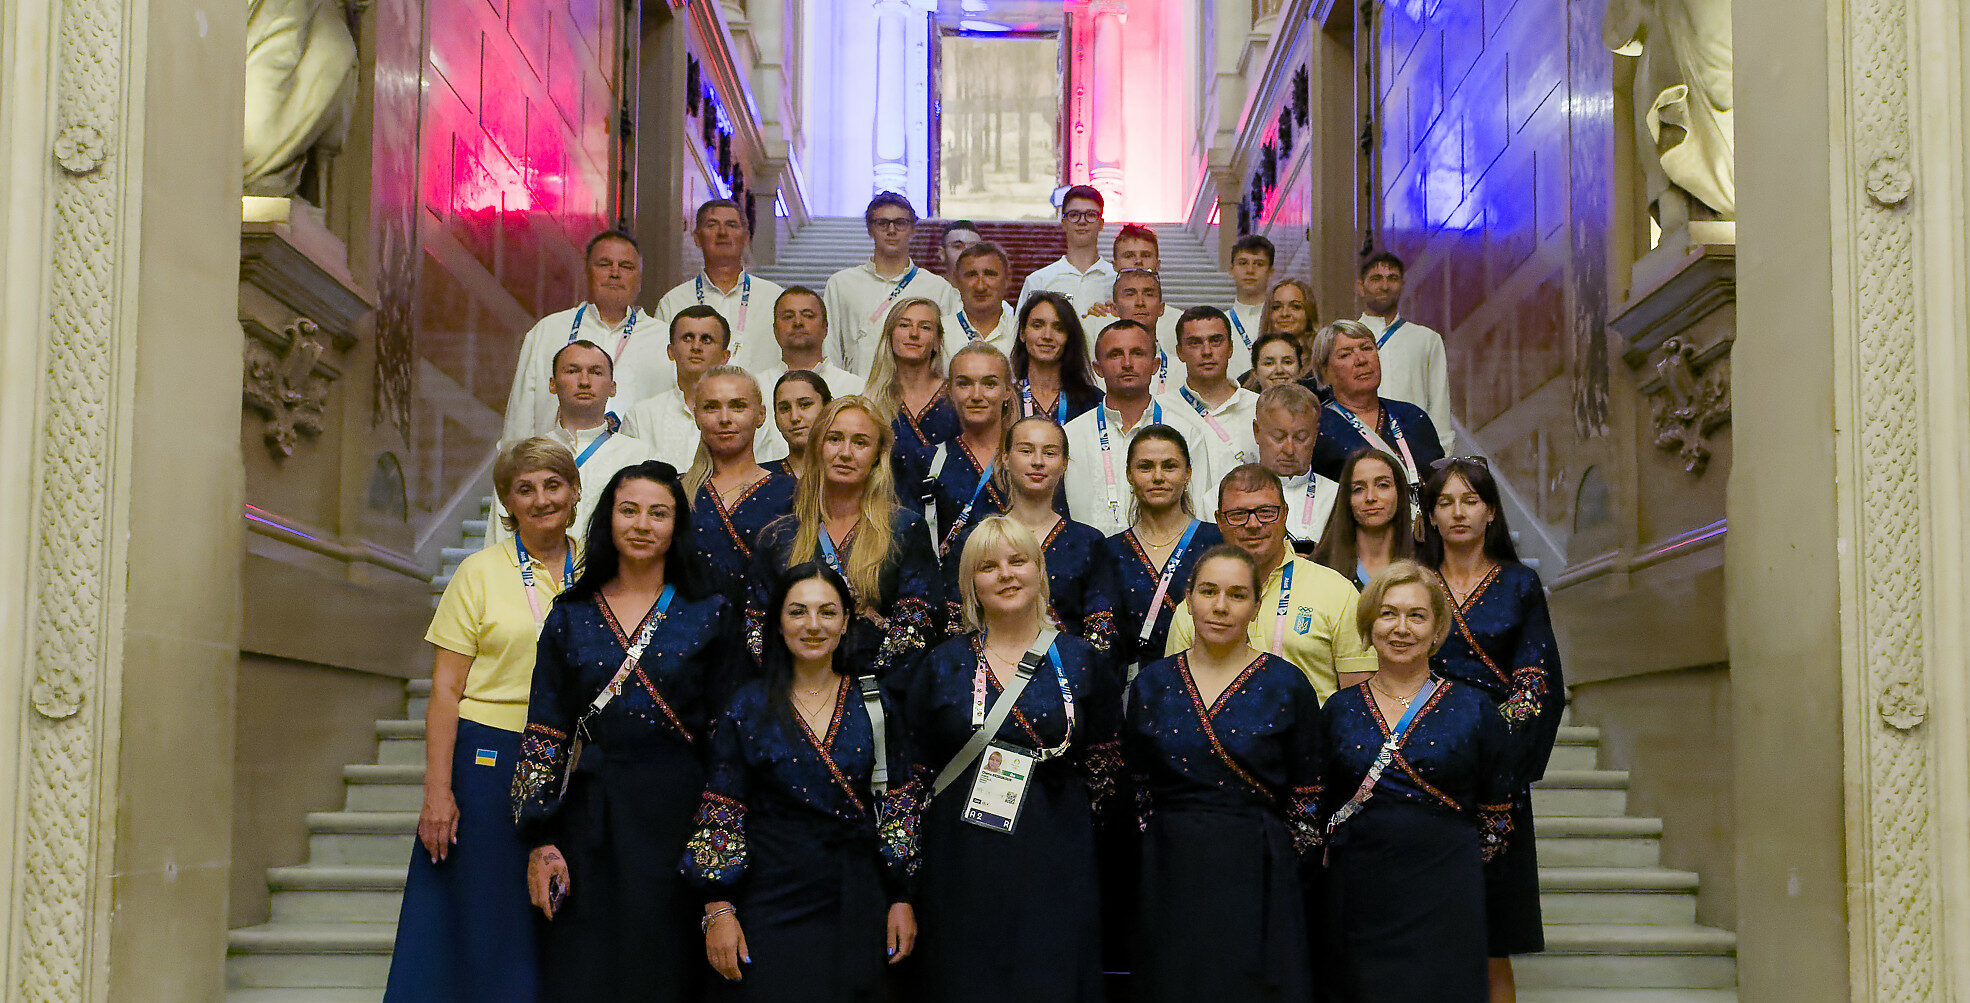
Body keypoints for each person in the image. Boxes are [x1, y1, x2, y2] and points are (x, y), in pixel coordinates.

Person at [513, 461, 736, 1002]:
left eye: (658, 513)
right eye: (628, 510)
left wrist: (715, 865)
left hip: (679, 816)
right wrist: (540, 838)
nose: (642, 524)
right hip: (591, 818)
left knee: (667, 970)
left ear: (677, 525)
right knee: (585, 969)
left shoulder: (709, 612)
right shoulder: (570, 614)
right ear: (607, 520)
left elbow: (730, 739)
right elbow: (546, 730)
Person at [385, 438, 579, 1001]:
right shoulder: (479, 571)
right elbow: (446, 689)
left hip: (574, 754)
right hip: (492, 754)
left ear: (573, 492)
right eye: (525, 489)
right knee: (490, 913)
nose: (541, 499)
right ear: (507, 503)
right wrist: (438, 791)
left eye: (552, 485)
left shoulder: (597, 566)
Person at [682, 562, 921, 1001]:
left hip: (857, 896)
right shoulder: (748, 705)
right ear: (777, 622)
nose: (813, 625)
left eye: (827, 612)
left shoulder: (874, 701)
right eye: (798, 612)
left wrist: (901, 897)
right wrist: (717, 907)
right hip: (771, 895)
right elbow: (722, 810)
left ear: (846, 621)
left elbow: (899, 807)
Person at [905, 517, 1119, 1003]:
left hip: (1057, 858)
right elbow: (913, 774)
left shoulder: (1083, 660)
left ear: (1040, 572)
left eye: (1018, 561)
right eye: (988, 566)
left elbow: (1108, 772)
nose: (1005, 574)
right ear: (970, 584)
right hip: (963, 861)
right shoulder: (941, 664)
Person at [1125, 543, 1321, 1003]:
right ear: (1188, 599)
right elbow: (1135, 787)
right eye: (1208, 592)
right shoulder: (1152, 682)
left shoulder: (1287, 683)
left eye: (1237, 595)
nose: (1220, 606)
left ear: (1256, 606)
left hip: (1258, 868)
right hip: (1170, 866)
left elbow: (1308, 797)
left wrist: (1287, 873)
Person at [1319, 561, 1514, 1002]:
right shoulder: (1338, 710)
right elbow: (1320, 808)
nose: (1401, 628)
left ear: (1436, 628)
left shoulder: (1476, 708)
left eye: (1416, 615)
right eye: (1388, 614)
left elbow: (1499, 813)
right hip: (1360, 896)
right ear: (1369, 625)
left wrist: (1459, 868)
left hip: (1447, 892)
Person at [1419, 458, 1566, 997]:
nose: (1458, 513)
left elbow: (1536, 682)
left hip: (1494, 773)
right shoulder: (1413, 581)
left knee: (1490, 939)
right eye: (1445, 502)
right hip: (1416, 766)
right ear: (1430, 516)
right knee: (1419, 930)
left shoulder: (1520, 583)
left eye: (1470, 501)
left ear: (1490, 512)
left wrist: (1487, 750)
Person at [747, 397, 943, 681]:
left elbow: (920, 620)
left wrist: (863, 685)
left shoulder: (904, 528)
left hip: (878, 693)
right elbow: (756, 624)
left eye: (860, 442)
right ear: (817, 447)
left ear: (877, 454)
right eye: (835, 439)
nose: (846, 453)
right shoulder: (779, 535)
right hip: (793, 692)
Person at [1166, 464, 1373, 701]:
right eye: (1238, 514)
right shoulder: (1197, 607)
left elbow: (1359, 706)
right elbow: (1177, 700)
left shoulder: (1337, 592)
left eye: (1266, 512)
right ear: (1219, 521)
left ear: (1285, 513)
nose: (1253, 524)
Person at [943, 416, 1117, 649]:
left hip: (1068, 677)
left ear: (1064, 463)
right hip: (987, 675)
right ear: (1005, 458)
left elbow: (1102, 632)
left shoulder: (1089, 542)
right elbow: (955, 624)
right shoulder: (974, 540)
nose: (1038, 462)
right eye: (1026, 451)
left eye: (1050, 453)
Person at [487, 340, 656, 549]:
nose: (584, 381)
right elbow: (498, 542)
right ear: (552, 384)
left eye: (595, 372)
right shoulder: (521, 458)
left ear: (613, 387)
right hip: (535, 578)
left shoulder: (639, 456)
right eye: (572, 371)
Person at [503, 230, 666, 443]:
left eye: (626, 266)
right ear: (587, 273)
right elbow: (520, 419)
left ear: (640, 279)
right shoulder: (548, 331)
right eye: (604, 264)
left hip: (637, 471)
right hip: (557, 467)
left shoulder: (665, 339)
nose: (615, 273)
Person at [1061, 320, 1219, 536]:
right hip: (1090, 560)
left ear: (1155, 365)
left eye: (1137, 353)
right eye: (1115, 354)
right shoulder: (1071, 436)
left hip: (1169, 557)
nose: (1127, 363)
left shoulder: (1187, 432)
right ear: (1098, 368)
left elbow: (1198, 513)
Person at [1101, 425, 1225, 672]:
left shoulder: (1217, 542)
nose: (1158, 477)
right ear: (1129, 474)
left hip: (1209, 680)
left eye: (1169, 466)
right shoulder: (1108, 551)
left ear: (1188, 473)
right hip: (1131, 691)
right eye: (1145, 467)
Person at [684, 366, 798, 601]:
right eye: (711, 407)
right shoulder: (674, 491)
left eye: (738, 406)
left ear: (761, 414)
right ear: (696, 416)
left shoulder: (792, 492)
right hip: (688, 632)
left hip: (766, 631)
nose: (725, 419)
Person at [624, 306, 786, 469]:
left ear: (725, 356)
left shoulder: (748, 417)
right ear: (671, 351)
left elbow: (764, 477)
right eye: (687, 338)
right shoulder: (640, 417)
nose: (696, 347)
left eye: (706, 340)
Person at [824, 193, 961, 373]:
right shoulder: (841, 284)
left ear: (913, 229)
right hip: (857, 392)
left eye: (900, 223)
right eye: (882, 223)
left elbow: (947, 351)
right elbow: (830, 346)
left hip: (916, 395)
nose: (891, 230)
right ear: (870, 229)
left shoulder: (937, 288)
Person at [1305, 319, 1445, 487]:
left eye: (1367, 348)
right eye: (1345, 354)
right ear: (1325, 371)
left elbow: (1441, 483)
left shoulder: (1413, 416)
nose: (1361, 359)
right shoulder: (1317, 427)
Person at [655, 200, 786, 374]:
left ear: (746, 238)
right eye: (712, 225)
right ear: (697, 238)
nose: (722, 232)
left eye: (731, 225)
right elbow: (662, 367)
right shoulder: (673, 302)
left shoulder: (775, 299)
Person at [917, 344, 1012, 557]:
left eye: (989, 384)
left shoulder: (1028, 457)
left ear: (1007, 391)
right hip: (949, 586)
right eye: (964, 384)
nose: (976, 395)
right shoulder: (927, 461)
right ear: (949, 391)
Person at [1355, 251, 1454, 452]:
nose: (1384, 286)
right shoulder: (1345, 339)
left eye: (1392, 278)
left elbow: (1439, 406)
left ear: (1402, 285)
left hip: (1414, 451)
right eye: (1376, 279)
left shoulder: (1426, 340)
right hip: (1358, 449)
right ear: (1360, 286)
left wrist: (1441, 456)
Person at [863, 297, 961, 475]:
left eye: (925, 327)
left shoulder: (957, 396)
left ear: (937, 341)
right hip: (886, 501)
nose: (914, 334)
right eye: (904, 325)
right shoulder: (870, 401)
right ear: (890, 335)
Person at [1159, 305, 1260, 475]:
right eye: (1195, 343)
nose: (1207, 351)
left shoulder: (1259, 408)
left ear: (1230, 348)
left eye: (1215, 341)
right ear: (1180, 352)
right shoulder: (1160, 410)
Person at [1252, 384, 1340, 554]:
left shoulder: (1338, 496)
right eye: (1278, 437)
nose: (1289, 449)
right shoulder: (1224, 496)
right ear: (1257, 432)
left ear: (1315, 436)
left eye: (1301, 438)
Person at [1312, 448, 1415, 588]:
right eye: (1358, 489)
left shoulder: (1422, 564)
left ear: (1400, 493)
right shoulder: (1319, 568)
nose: (1371, 497)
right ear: (1346, 499)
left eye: (1383, 485)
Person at [1016, 184, 1116, 316]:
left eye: (1091, 215)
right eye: (1074, 215)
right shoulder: (1038, 282)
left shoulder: (1117, 280)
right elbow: (1021, 333)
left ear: (1101, 223)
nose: (1082, 221)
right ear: (1063, 223)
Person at [1009, 291, 1103, 424]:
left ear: (1069, 337)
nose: (1047, 335)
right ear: (1022, 333)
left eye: (1058, 328)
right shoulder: (1006, 398)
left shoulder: (1093, 401)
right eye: (1037, 326)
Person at [757, 286, 867, 400]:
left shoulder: (855, 389)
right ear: (775, 329)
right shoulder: (758, 388)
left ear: (825, 327)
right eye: (788, 316)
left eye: (808, 316)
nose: (798, 322)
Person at [1090, 269, 1184, 394]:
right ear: (1114, 309)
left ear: (1161, 309)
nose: (1140, 302)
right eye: (1130, 294)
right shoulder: (1097, 373)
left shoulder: (1183, 370)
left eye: (1148, 294)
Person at [942, 242, 1018, 357]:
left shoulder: (1021, 331)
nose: (980, 286)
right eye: (971, 275)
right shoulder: (940, 333)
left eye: (990, 274)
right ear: (956, 280)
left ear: (1007, 279)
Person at [765, 370, 833, 478]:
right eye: (785, 408)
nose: (794, 417)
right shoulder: (760, 478)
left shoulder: (846, 474)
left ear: (828, 408)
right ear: (775, 417)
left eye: (805, 404)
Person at [1224, 235, 1277, 352]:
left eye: (1259, 264)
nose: (1250, 270)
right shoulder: (1220, 324)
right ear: (1231, 270)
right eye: (1243, 263)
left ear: (1271, 272)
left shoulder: (1281, 321)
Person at [1264, 278, 1317, 376]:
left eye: (1295, 307)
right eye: (1277, 307)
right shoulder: (1249, 380)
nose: (1284, 313)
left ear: (1309, 313)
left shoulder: (1323, 369)